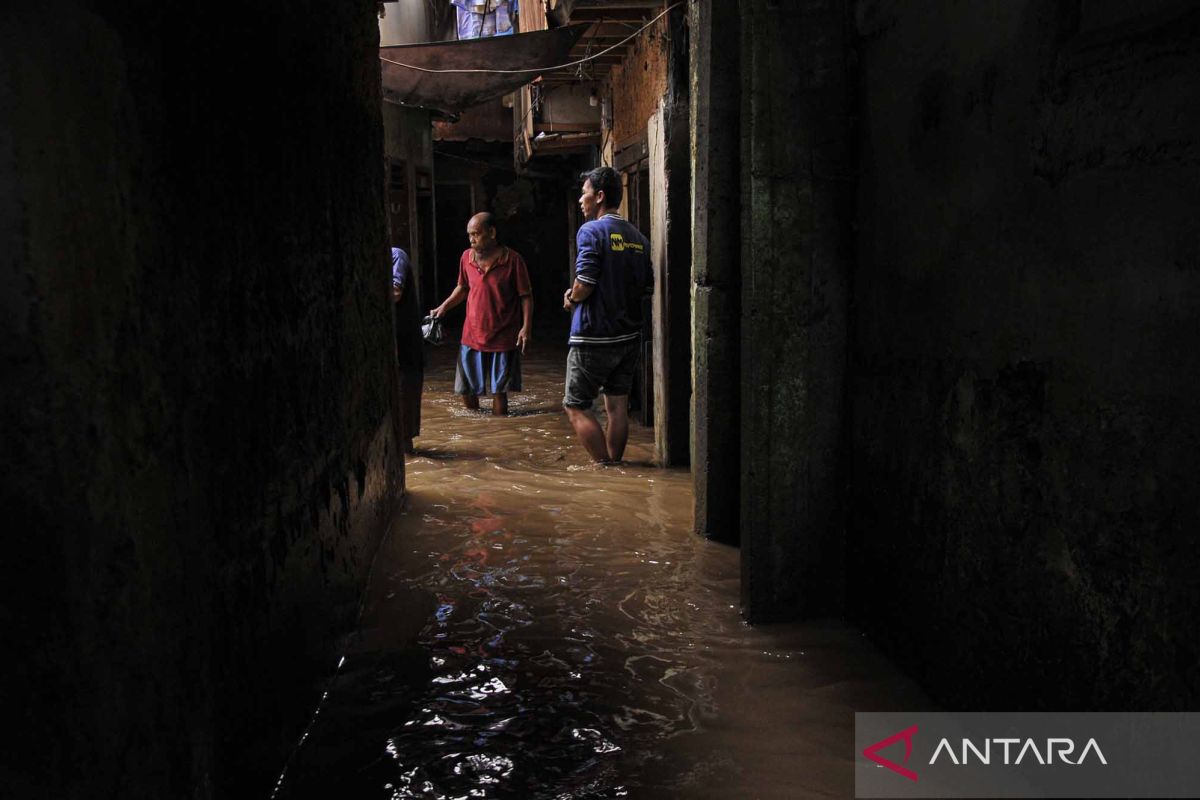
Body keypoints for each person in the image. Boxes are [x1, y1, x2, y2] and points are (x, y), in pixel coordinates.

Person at [562, 166, 653, 463]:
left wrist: (571, 297)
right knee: (617, 407)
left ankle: (604, 466)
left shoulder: (591, 231)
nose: (580, 200)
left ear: (599, 197)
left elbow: (585, 283)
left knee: (575, 406)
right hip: (627, 337)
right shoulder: (639, 237)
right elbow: (647, 286)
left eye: (584, 193)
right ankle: (616, 463)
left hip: (593, 336)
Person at [431, 212, 532, 417]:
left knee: (499, 392)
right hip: (472, 334)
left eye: (476, 234)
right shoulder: (466, 257)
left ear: (492, 232)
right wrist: (444, 307)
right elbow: (462, 288)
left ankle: (499, 432)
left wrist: (526, 328)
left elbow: (526, 296)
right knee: (466, 390)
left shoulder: (513, 260)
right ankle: (475, 428)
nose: (471, 239)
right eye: (469, 235)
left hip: (503, 336)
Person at [392, 247, 425, 454]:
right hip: (397, 349)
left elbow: (395, 293)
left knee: (404, 419)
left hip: (407, 350)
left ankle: (407, 455)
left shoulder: (395, 255)